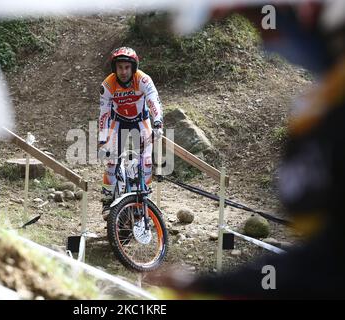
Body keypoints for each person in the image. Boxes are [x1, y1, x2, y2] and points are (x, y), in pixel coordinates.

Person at [155, 0, 345, 299]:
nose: (265, 38)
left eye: (262, 18)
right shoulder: (324, 105)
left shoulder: (330, 115)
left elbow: (327, 263)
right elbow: (326, 256)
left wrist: (222, 287)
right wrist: (219, 285)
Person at [98, 47, 164, 218]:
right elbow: (104, 113)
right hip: (117, 122)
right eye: (120, 67)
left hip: (140, 121)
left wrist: (157, 123)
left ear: (133, 68)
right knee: (112, 160)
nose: (123, 72)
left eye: (127, 67)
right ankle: (106, 202)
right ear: (115, 68)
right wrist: (102, 139)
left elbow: (153, 100)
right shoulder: (107, 85)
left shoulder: (143, 79)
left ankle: (144, 200)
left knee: (146, 161)